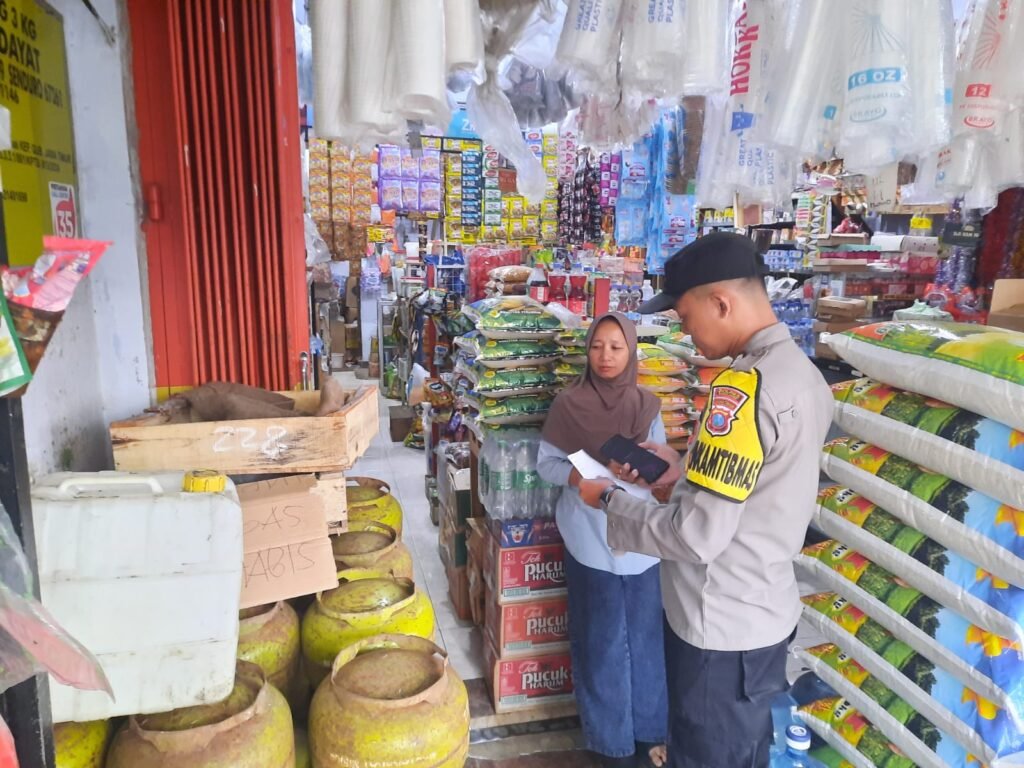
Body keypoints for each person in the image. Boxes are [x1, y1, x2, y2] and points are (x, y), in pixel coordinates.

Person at [577, 233, 833, 768]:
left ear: (721, 302)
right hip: (763, 613)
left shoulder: (740, 391)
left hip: (719, 628)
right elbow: (759, 489)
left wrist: (610, 501)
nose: (684, 330)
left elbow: (695, 536)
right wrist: (681, 475)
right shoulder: (804, 375)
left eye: (686, 315)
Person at [538, 312, 668, 768]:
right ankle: (610, 744)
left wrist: (643, 472)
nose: (605, 356)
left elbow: (661, 469)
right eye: (597, 346)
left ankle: (651, 735)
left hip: (641, 540)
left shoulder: (647, 405)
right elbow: (546, 465)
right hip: (589, 538)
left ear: (631, 351)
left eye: (616, 347)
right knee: (601, 642)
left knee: (647, 641)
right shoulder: (568, 405)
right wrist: (581, 478)